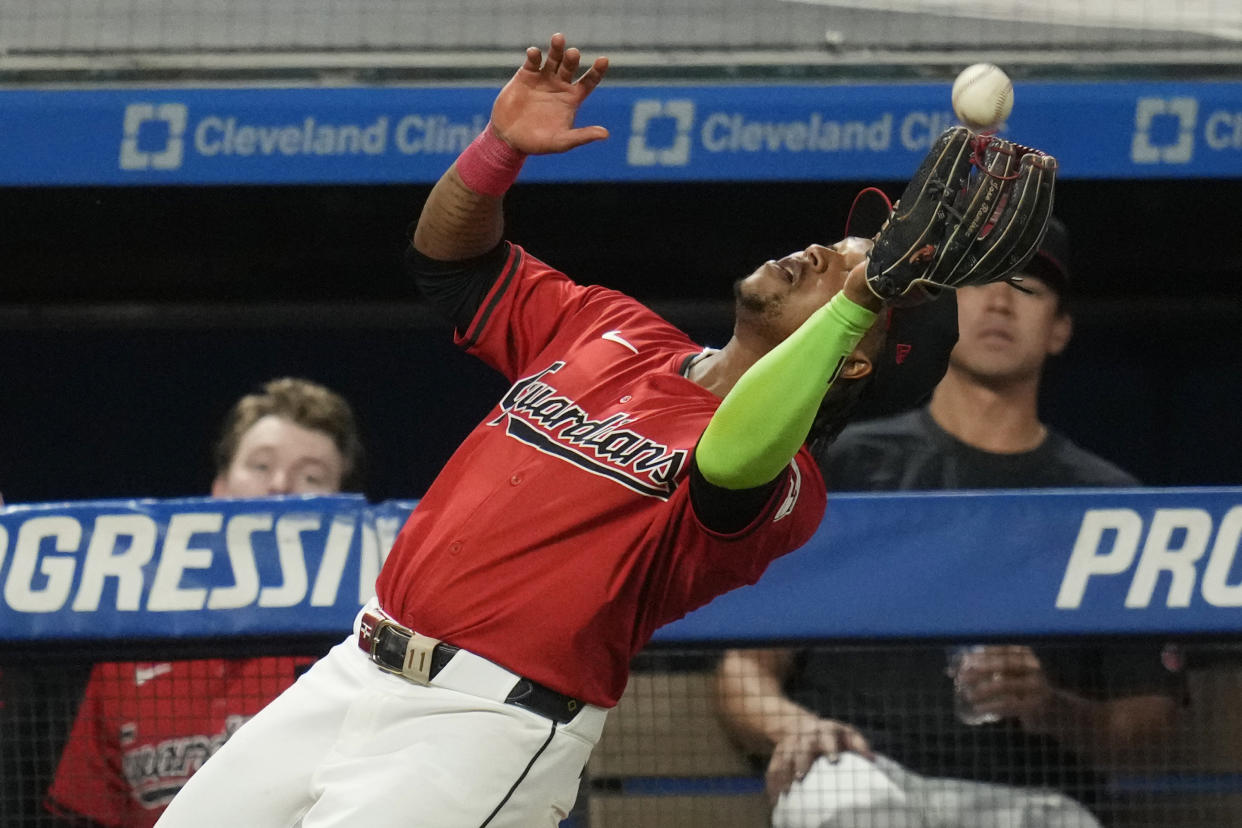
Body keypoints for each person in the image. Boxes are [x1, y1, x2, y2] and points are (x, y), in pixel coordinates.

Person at [152, 34, 1051, 828]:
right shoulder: (614, 329)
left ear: (853, 354)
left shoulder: (787, 487)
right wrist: (498, 150)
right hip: (356, 665)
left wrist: (861, 301)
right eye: (844, 251)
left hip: (480, 728)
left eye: (850, 275)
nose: (825, 254)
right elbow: (448, 263)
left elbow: (729, 457)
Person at [715, 220, 1185, 828]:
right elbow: (745, 670)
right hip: (861, 773)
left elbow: (1149, 728)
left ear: (1061, 328)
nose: (998, 301)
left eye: (1026, 287)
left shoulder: (1109, 503)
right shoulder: (844, 464)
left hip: (1033, 798)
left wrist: (1051, 707)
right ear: (946, 308)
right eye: (979, 282)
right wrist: (797, 728)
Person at [46, 377, 364, 828]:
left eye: (311, 476)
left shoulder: (364, 652)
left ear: (345, 505)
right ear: (219, 488)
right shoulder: (134, 646)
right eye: (260, 465)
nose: (280, 486)